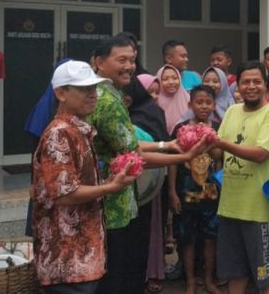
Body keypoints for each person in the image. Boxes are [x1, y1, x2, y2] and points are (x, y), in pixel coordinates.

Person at [88, 35, 212, 294]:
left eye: (132, 60)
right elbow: (132, 152)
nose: (129, 66)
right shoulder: (107, 101)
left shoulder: (108, 94)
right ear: (99, 62)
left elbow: (129, 143)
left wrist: (167, 146)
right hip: (112, 203)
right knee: (120, 275)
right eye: (121, 60)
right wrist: (184, 157)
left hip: (116, 199)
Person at [31, 60, 138, 293]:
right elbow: (64, 195)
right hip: (68, 260)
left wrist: (108, 183)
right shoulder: (59, 133)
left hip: (84, 255)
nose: (93, 94)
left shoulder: (79, 129)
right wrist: (110, 187)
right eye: (83, 89)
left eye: (93, 88)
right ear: (60, 93)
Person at [212, 61, 269, 293]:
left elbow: (261, 154)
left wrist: (221, 143)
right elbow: (217, 152)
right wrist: (199, 141)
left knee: (267, 273)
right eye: (246, 82)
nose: (251, 86)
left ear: (265, 85)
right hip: (230, 207)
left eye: (257, 81)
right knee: (236, 271)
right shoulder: (233, 111)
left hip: (259, 210)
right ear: (238, 85)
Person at [169, 86, 223, 294]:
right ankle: (190, 280)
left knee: (211, 238)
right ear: (190, 104)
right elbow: (173, 162)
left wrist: (208, 140)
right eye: (199, 102)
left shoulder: (218, 127)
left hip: (212, 194)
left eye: (208, 102)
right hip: (185, 194)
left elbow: (219, 157)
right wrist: (172, 192)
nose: (204, 106)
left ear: (214, 105)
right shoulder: (180, 128)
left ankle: (208, 279)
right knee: (186, 238)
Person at [123, 75, 169, 293]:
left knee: (141, 238)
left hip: (147, 187)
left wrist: (175, 152)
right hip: (128, 190)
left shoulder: (148, 113)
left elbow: (139, 150)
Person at [156, 64, 191, 135]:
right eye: (165, 79)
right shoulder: (155, 101)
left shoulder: (188, 99)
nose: (171, 82)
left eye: (175, 78)